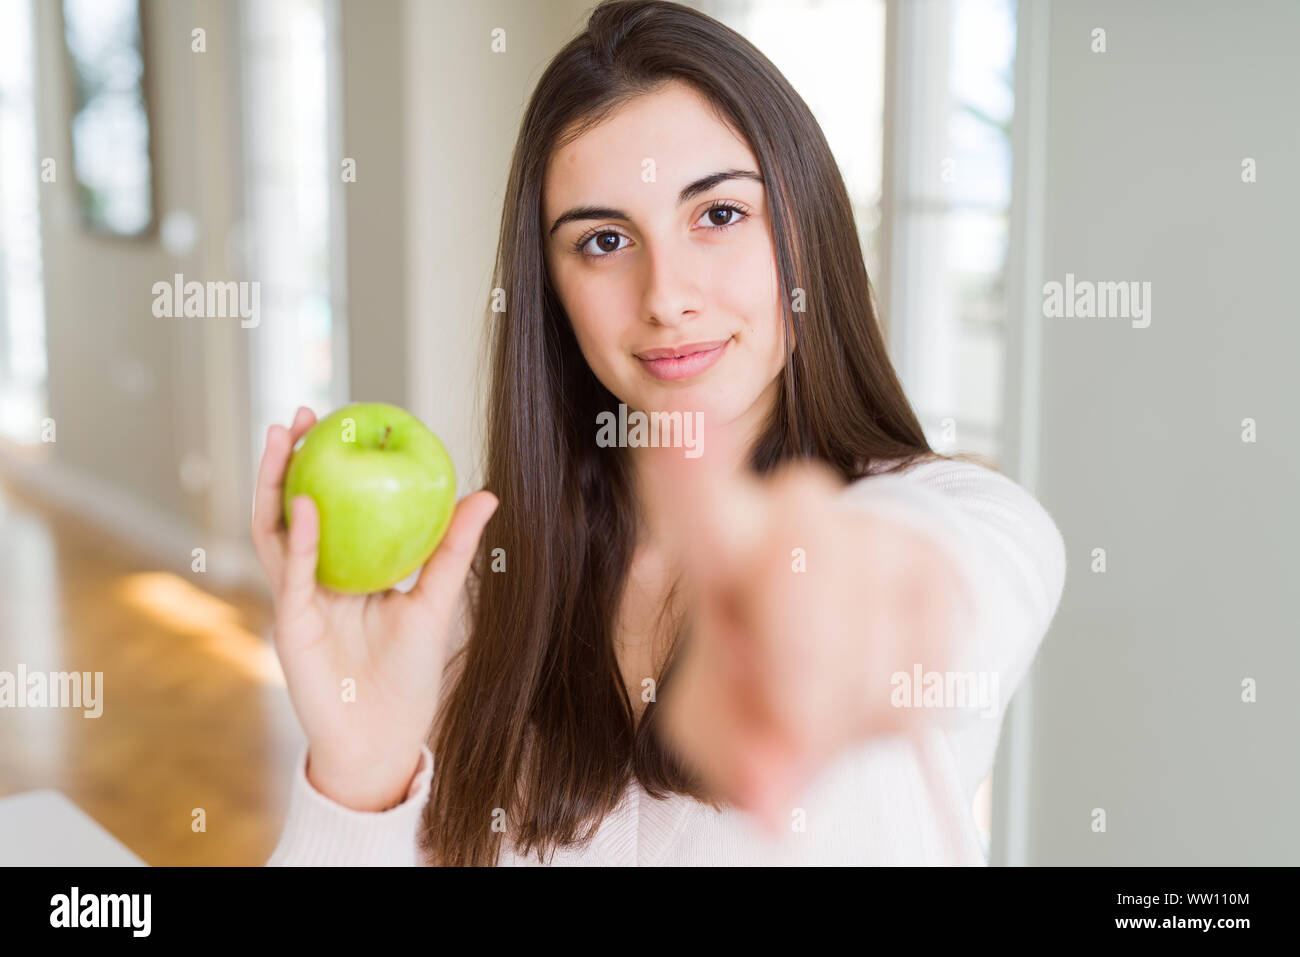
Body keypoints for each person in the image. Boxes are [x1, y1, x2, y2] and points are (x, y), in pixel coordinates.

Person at [257, 0, 1066, 866]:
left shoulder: (966, 517)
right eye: (604, 240)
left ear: (807, 226)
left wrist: (842, 592)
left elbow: (944, 577)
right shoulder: (476, 598)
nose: (666, 294)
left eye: (718, 214)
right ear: (552, 291)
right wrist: (359, 777)